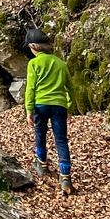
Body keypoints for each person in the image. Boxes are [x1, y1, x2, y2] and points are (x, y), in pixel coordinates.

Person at [23, 28, 73, 195]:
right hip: (59, 105)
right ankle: (65, 177)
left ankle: (41, 164)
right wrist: (69, 105)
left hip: (41, 104)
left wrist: (28, 109)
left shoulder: (34, 64)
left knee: (40, 132)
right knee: (61, 140)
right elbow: (70, 87)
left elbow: (30, 88)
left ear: (33, 46)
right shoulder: (61, 63)